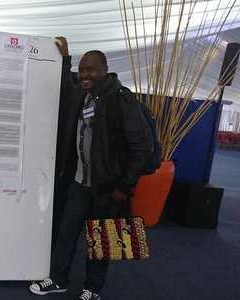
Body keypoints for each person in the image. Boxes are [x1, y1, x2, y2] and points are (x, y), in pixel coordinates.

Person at [29, 37, 153, 300]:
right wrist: (65, 60)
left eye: (91, 69)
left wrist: (125, 186)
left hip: (109, 188)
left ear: (105, 70)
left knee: (103, 241)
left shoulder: (122, 100)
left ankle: (93, 289)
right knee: (65, 233)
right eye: (82, 69)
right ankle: (59, 280)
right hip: (79, 182)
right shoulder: (81, 94)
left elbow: (142, 147)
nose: (85, 74)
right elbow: (66, 86)